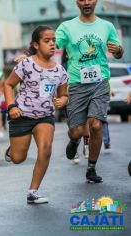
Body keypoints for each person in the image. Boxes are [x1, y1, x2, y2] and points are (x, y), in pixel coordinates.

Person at [56, 0, 124, 183]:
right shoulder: (67, 27)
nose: (86, 2)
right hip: (76, 84)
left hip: (100, 81)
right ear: (77, 2)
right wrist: (30, 55)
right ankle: (75, 141)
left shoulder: (106, 26)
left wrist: (118, 50)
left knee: (95, 125)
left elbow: (118, 52)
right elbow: (49, 45)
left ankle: (91, 168)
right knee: (77, 131)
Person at [4, 26, 69, 204]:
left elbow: (64, 94)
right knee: (18, 158)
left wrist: (63, 100)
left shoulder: (60, 71)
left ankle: (33, 191)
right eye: (47, 41)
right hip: (21, 115)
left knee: (46, 149)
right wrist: (11, 107)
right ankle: (12, 149)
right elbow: (8, 85)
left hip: (45, 117)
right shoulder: (25, 64)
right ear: (36, 44)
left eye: (54, 40)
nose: (52, 44)